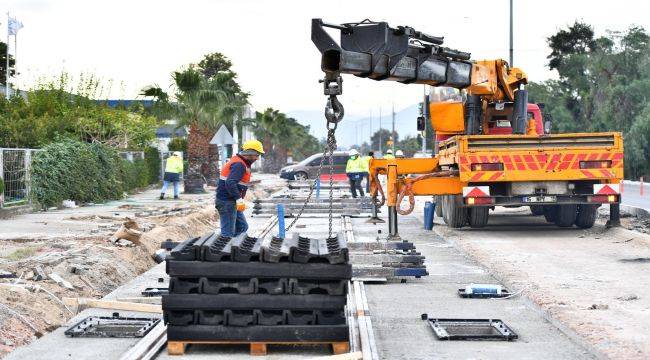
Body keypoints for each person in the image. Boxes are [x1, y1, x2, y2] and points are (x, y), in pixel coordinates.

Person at [215, 140, 265, 237]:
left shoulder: (240, 162)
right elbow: (230, 182)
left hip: (231, 201)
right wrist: (238, 199)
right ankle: (225, 250)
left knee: (242, 227)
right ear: (250, 153)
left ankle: (234, 247)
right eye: (257, 155)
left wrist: (238, 200)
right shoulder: (239, 164)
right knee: (227, 234)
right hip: (227, 202)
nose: (257, 158)